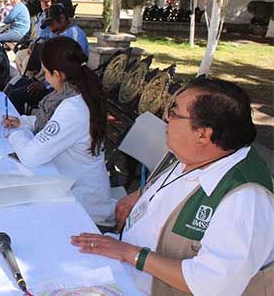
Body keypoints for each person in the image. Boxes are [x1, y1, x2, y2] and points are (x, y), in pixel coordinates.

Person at [71, 77, 274, 296]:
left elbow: (210, 284)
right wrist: (142, 194)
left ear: (203, 134)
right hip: (125, 271)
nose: (166, 117)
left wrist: (130, 253)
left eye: (175, 113)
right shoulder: (197, 153)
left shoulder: (245, 199)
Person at [2, 37, 113, 222]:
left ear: (58, 74)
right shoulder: (79, 93)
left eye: (45, 72)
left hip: (81, 204)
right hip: (74, 185)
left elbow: (31, 156)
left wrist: (15, 134)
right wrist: (24, 123)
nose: (44, 77)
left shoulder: (72, 108)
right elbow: (55, 126)